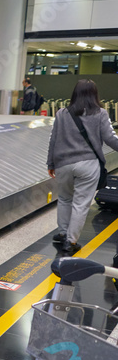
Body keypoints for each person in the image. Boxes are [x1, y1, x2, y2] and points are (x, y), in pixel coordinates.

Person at [48, 79, 118, 253]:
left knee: (64, 199)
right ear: (94, 94)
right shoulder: (100, 113)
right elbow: (110, 138)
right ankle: (71, 242)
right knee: (80, 204)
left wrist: (51, 163)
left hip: (63, 164)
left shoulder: (62, 113)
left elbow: (53, 140)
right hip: (88, 164)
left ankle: (63, 233)